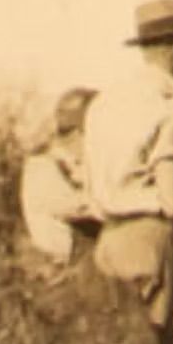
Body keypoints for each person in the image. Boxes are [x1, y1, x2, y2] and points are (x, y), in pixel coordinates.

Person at [82, 0, 173, 344]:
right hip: (148, 240)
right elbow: (172, 201)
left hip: (108, 241)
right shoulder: (162, 110)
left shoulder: (103, 104)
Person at [19, 86, 100, 265]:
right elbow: (79, 208)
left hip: (83, 261)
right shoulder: (42, 166)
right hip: (64, 267)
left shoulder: (75, 163)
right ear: (82, 131)